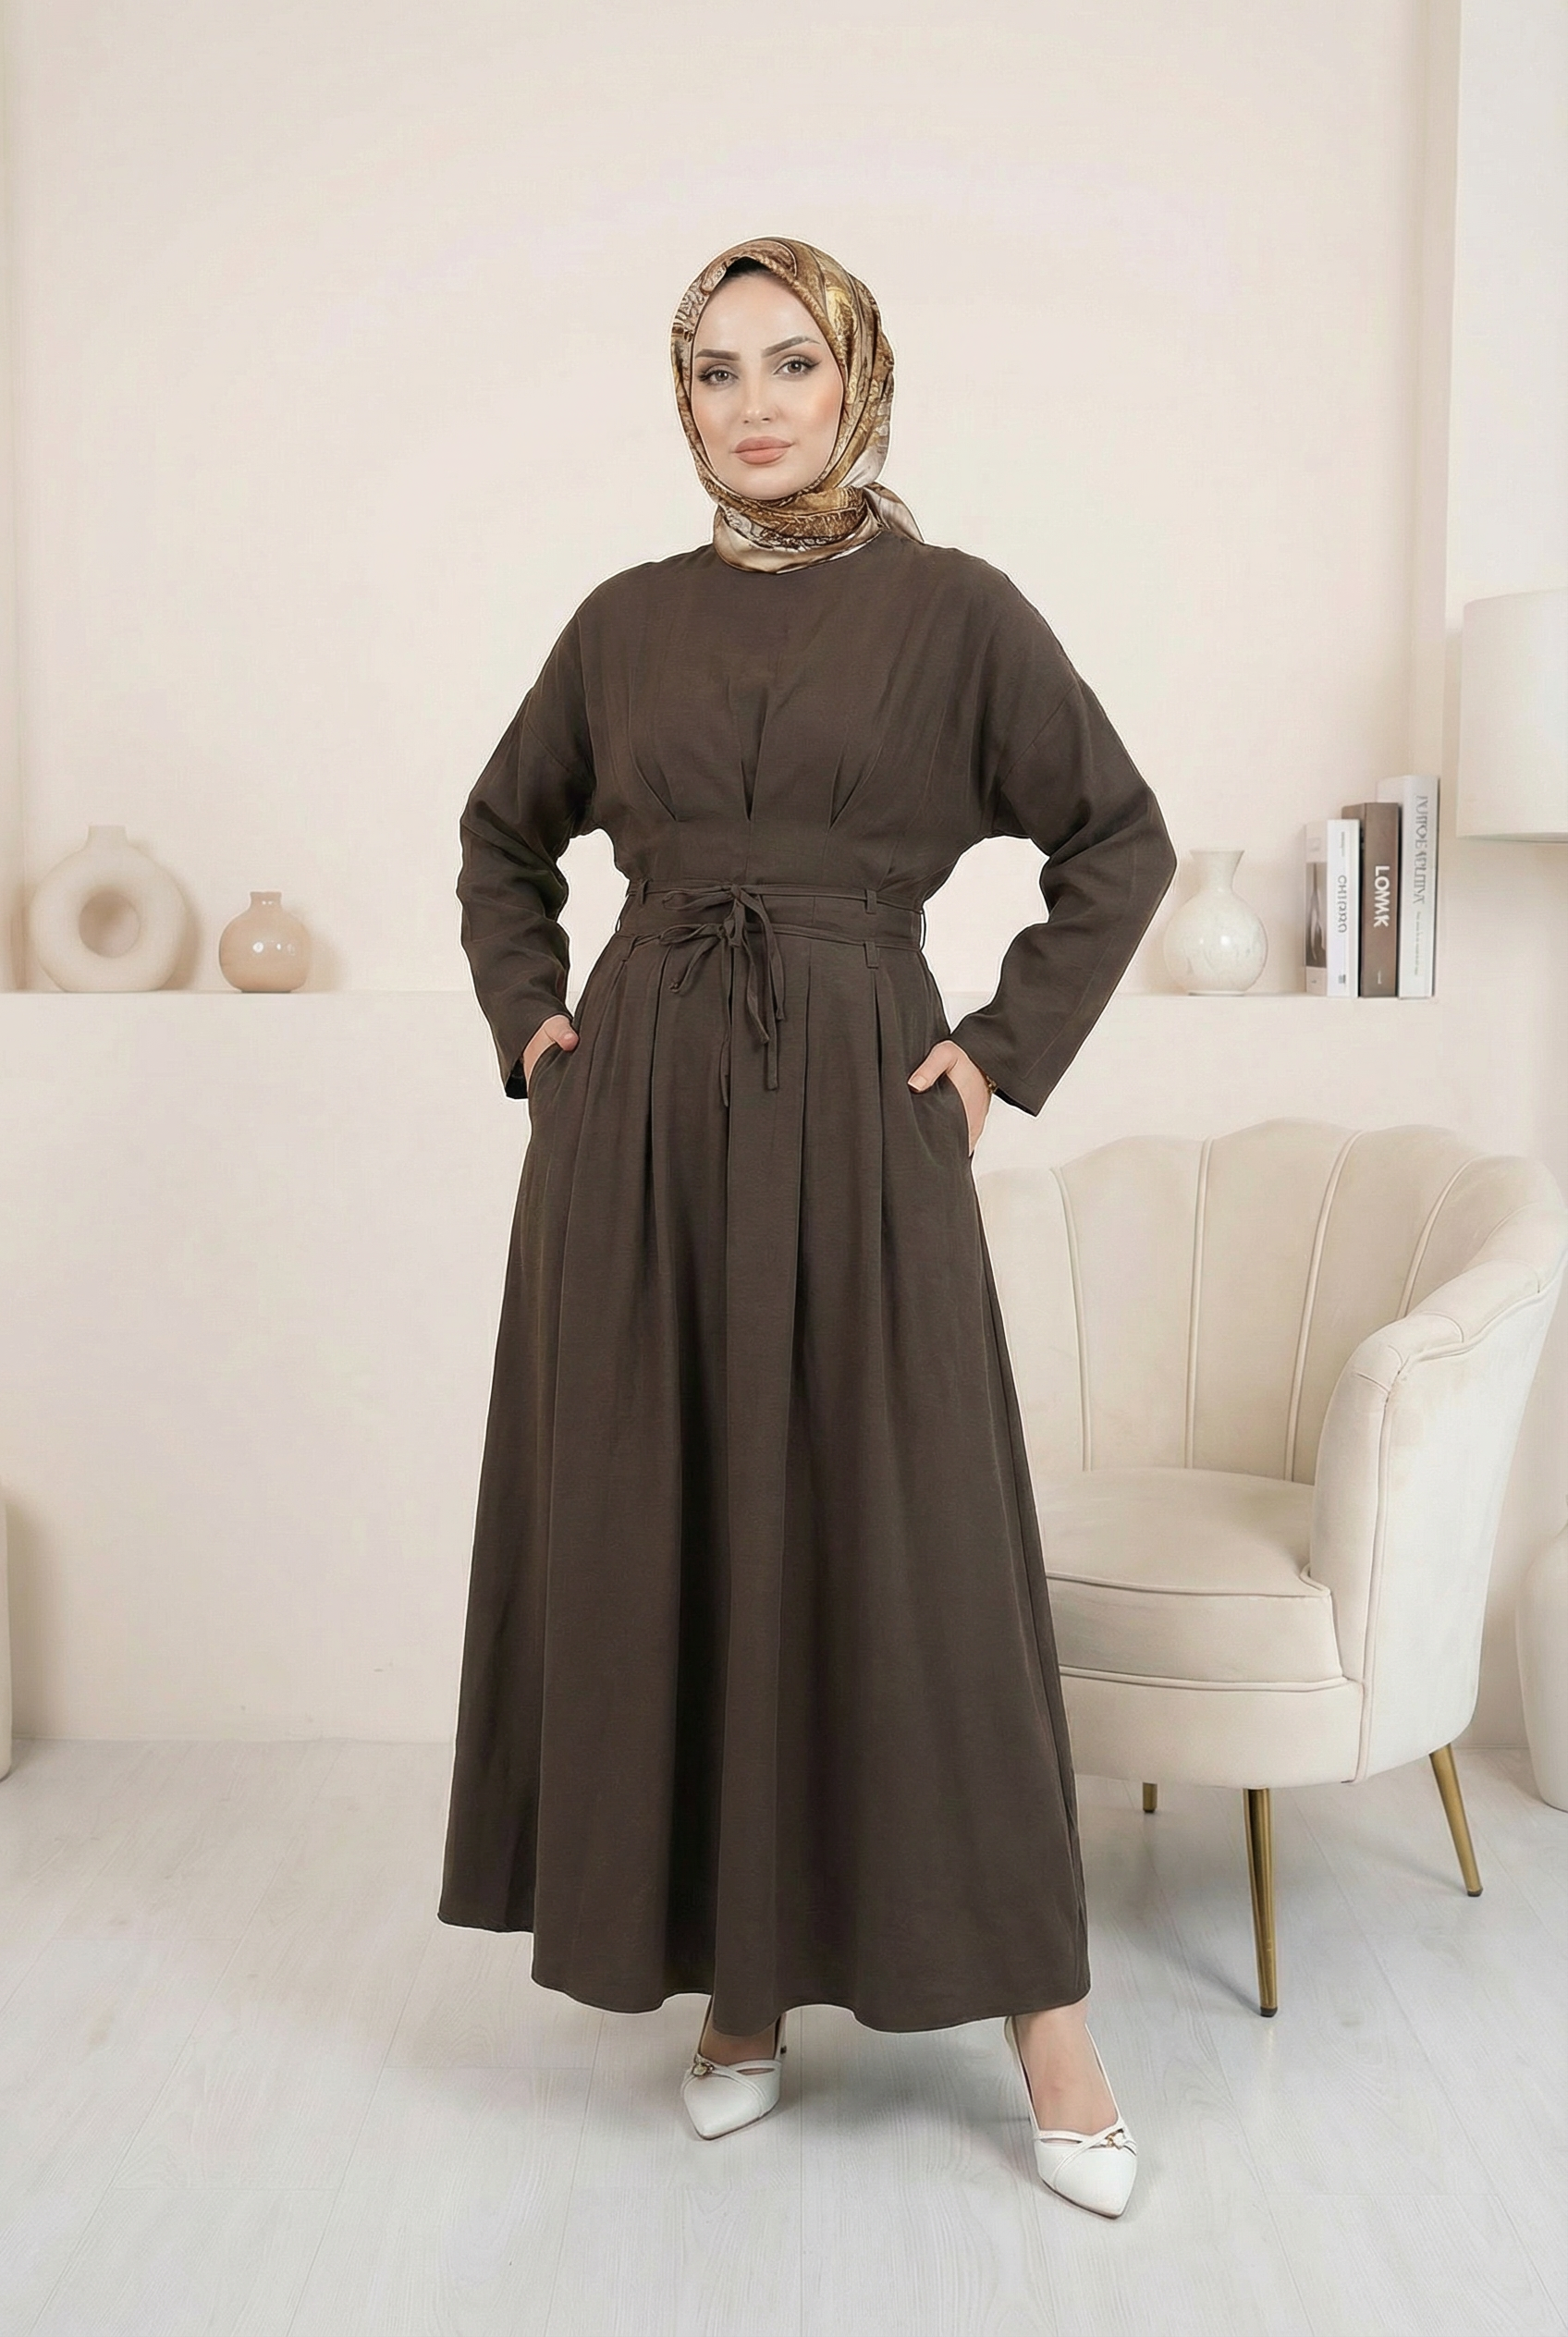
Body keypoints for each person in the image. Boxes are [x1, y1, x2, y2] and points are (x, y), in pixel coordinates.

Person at [437, 236, 1176, 2217]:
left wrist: (995, 1057)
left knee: (916, 1544)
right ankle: (740, 1994)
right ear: (678, 402)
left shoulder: (957, 610)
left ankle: (1052, 2031)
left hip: (858, 1104)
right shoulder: (621, 623)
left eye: (787, 362)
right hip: (639, 1127)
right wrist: (540, 1033)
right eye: (712, 370)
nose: (751, 403)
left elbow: (1117, 839)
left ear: (855, 377)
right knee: (675, 1525)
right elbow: (503, 840)